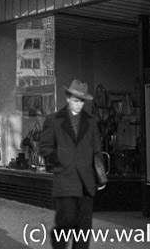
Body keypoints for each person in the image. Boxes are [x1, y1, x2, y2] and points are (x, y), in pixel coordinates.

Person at [38, 80, 103, 249]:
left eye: (82, 101)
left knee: (83, 228)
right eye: (75, 100)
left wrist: (100, 176)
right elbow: (44, 146)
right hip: (64, 178)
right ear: (67, 98)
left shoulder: (91, 121)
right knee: (66, 220)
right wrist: (57, 158)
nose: (79, 104)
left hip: (86, 182)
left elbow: (97, 150)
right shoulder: (53, 120)